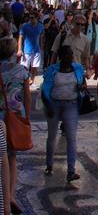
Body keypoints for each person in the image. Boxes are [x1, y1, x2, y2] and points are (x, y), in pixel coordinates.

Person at [41, 44, 85, 183]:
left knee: (71, 137)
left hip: (71, 104)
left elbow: (82, 82)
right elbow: (45, 89)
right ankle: (49, 164)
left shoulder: (77, 68)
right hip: (54, 104)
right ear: (61, 57)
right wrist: (48, 106)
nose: (71, 56)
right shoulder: (52, 70)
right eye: (68, 54)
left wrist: (82, 87)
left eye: (71, 54)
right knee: (52, 136)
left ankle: (71, 170)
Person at [0, 37, 30, 213]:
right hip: (16, 116)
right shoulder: (22, 71)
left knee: (1, 155)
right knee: (12, 157)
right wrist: (27, 117)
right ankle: (10, 195)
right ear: (13, 53)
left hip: (0, 114)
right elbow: (27, 97)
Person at [16, 11, 43, 82]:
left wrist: (41, 45)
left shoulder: (41, 26)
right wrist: (19, 49)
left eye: (32, 18)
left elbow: (41, 35)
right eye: (30, 17)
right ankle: (24, 80)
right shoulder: (25, 26)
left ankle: (32, 79)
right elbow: (20, 37)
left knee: (35, 66)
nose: (30, 19)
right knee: (25, 67)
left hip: (37, 50)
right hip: (27, 50)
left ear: (37, 18)